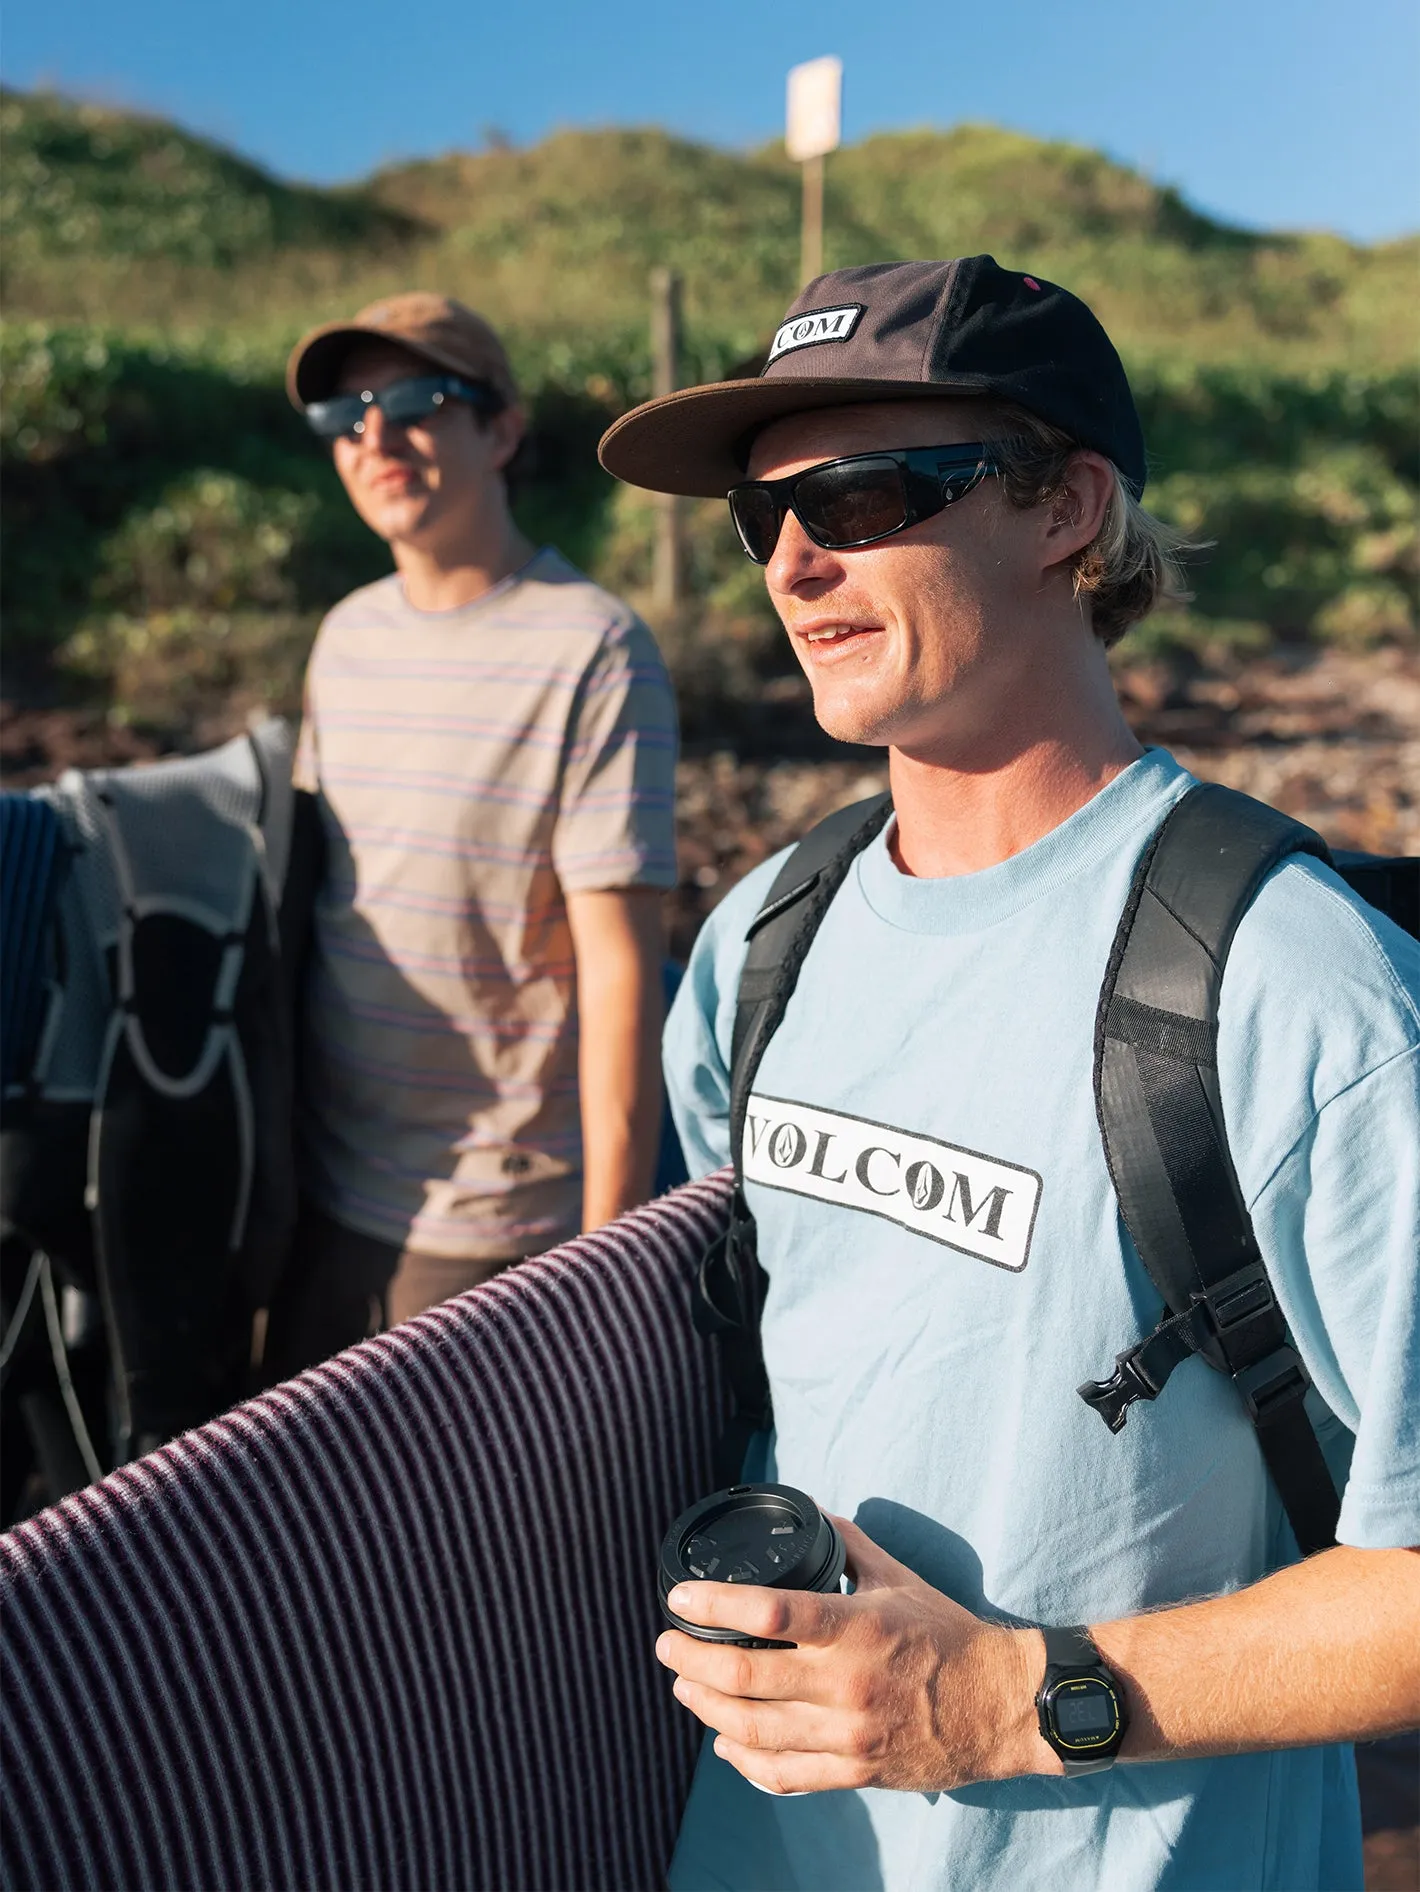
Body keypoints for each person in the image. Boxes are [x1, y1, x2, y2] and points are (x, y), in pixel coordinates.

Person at [598, 258, 1420, 1891]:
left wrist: (997, 1702)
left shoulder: (1293, 986)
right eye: (761, 519)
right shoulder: (765, 939)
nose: (796, 560)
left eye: (867, 490)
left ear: (1071, 509)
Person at [264, 293, 677, 1376]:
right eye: (345, 417)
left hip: (494, 1222)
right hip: (321, 1192)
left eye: (415, 401)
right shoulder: (342, 637)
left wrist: (604, 1262)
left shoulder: (593, 648)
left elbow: (621, 973)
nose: (375, 436)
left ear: (498, 430)